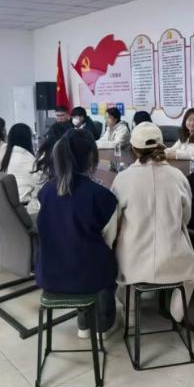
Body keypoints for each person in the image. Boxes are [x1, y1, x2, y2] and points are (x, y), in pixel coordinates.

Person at [36, 129, 119, 339]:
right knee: (106, 258)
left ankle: (83, 324)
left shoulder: (46, 191)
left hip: (49, 275)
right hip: (88, 279)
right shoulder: (102, 196)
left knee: (77, 251)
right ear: (91, 156)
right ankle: (103, 324)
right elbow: (110, 240)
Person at [110, 122, 194, 322]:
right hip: (174, 260)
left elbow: (114, 223)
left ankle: (130, 312)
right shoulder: (178, 177)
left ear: (134, 149)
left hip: (132, 263)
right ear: (161, 146)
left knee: (123, 274)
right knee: (190, 274)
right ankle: (177, 312)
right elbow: (186, 217)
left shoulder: (122, 179)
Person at [0, 123, 40, 205]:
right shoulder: (29, 160)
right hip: (24, 205)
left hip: (5, 203)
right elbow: (40, 185)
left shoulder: (5, 154)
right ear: (27, 139)